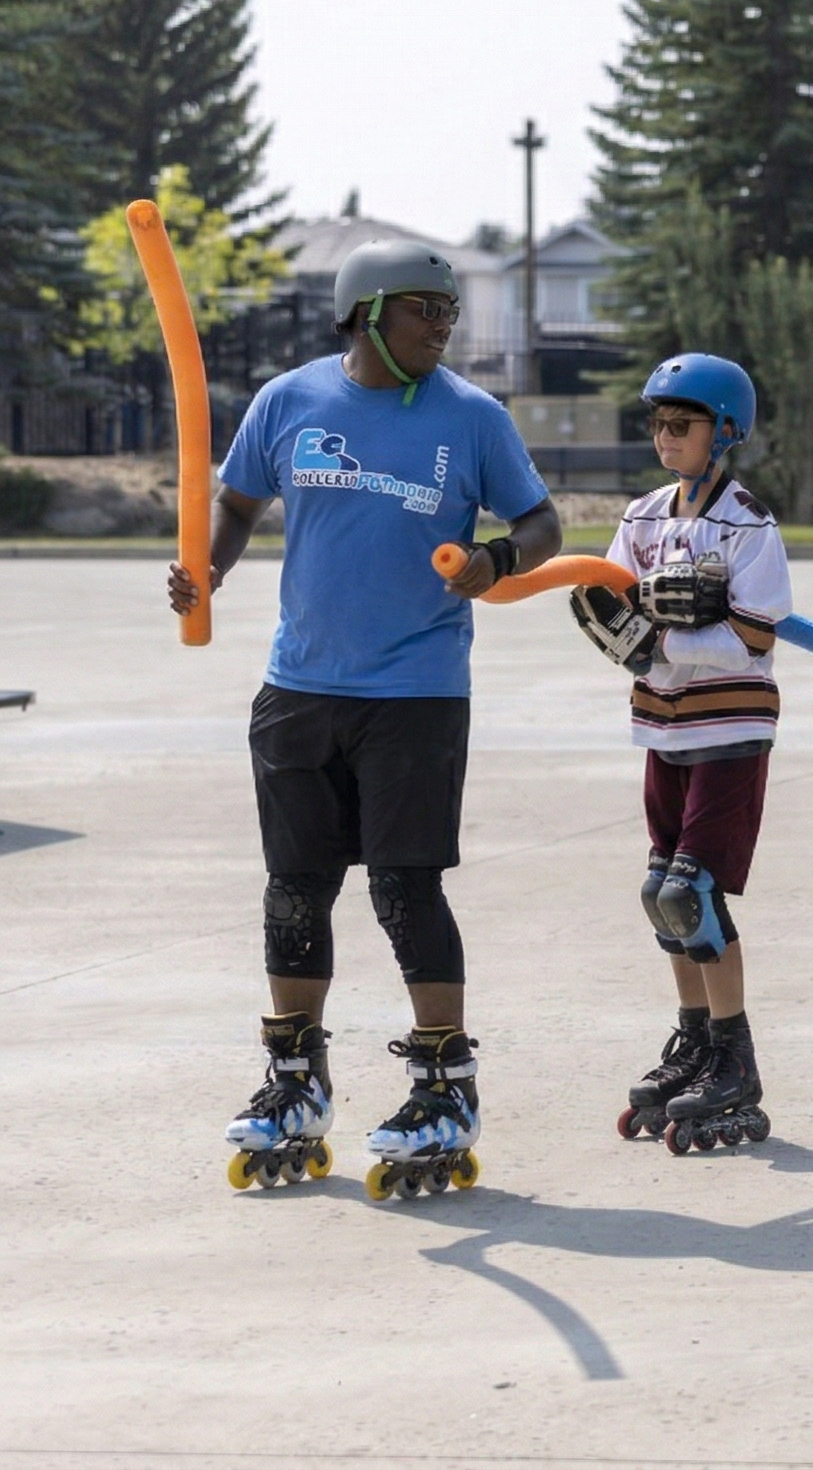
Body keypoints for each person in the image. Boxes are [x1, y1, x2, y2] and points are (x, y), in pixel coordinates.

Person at [178, 239, 559, 1197]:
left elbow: (543, 525)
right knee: (295, 889)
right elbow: (234, 502)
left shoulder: (472, 418)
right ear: (366, 311)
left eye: (448, 311)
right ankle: (295, 1078)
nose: (444, 324)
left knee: (404, 887)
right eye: (426, 308)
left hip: (416, 694)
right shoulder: (288, 401)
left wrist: (498, 562)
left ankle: (444, 1083)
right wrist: (208, 572)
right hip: (299, 685)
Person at [571, 355, 793, 1153]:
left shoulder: (749, 523)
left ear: (725, 431)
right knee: (658, 892)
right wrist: (626, 636)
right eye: (657, 423)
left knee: (691, 892)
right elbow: (613, 599)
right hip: (662, 725)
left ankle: (734, 1059)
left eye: (682, 424)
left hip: (730, 725)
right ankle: (696, 1039)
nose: (665, 437)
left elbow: (758, 632)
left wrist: (679, 640)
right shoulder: (640, 516)